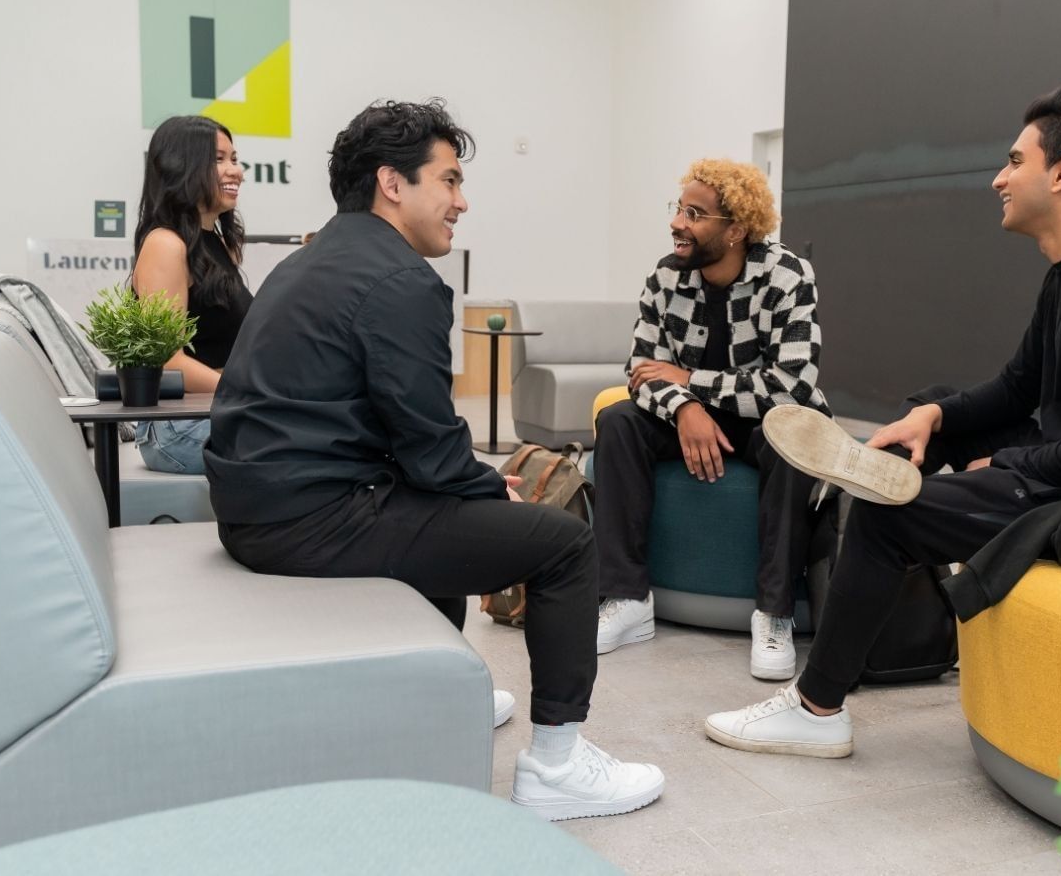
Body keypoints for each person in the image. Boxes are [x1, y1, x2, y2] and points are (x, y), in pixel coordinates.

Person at [705, 84, 1061, 757]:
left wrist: (1004, 466)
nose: (998, 179)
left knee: (889, 514)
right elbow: (1017, 388)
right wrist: (933, 415)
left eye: (1014, 161)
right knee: (940, 409)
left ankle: (817, 708)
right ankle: (902, 508)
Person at [203, 99, 664, 820]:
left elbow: (408, 438)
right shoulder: (401, 281)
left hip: (257, 507)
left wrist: (472, 484)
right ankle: (557, 765)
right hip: (308, 518)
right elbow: (429, 440)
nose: (461, 200)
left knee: (448, 507)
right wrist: (492, 488)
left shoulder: (310, 259)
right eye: (448, 181)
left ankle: (439, 691)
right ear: (393, 183)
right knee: (566, 545)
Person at [591, 159, 828, 681]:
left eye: (694, 214)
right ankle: (628, 598)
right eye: (678, 208)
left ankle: (774, 612)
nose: (678, 222)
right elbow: (640, 371)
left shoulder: (788, 276)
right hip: (691, 414)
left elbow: (791, 386)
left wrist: (690, 381)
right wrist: (687, 408)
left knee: (792, 438)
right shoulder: (664, 276)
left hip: (767, 417)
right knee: (619, 421)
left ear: (737, 230)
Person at [130, 115, 251, 475]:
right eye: (218, 159)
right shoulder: (165, 244)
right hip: (176, 428)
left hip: (216, 411)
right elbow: (168, 361)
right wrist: (251, 394)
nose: (236, 170)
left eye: (234, 158)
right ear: (182, 167)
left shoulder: (218, 246)